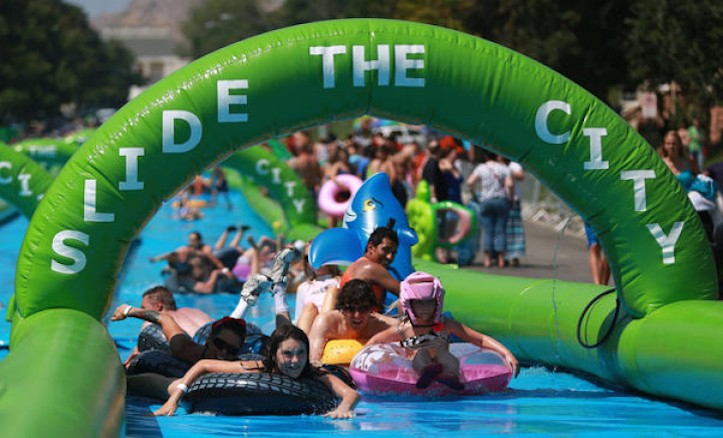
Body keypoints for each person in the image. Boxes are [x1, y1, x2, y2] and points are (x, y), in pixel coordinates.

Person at [153, 324, 360, 418]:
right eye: (287, 354)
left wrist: (343, 408)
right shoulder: (259, 368)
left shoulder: (313, 373)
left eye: (301, 353)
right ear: (274, 355)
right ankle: (139, 380)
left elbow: (351, 393)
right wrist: (173, 401)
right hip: (188, 382)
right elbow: (203, 365)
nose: (296, 361)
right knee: (170, 386)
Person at [367, 271, 519, 390]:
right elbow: (376, 341)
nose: (425, 308)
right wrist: (368, 360)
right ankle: (427, 371)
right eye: (419, 304)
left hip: (442, 361)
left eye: (429, 303)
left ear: (438, 302)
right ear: (409, 304)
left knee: (447, 358)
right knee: (421, 355)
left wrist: (507, 354)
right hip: (415, 368)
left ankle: (449, 377)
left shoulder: (446, 325)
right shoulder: (405, 329)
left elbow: (479, 339)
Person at [110, 310, 247, 398]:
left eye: (231, 350)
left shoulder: (237, 367)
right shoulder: (185, 348)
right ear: (209, 340)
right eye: (219, 344)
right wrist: (128, 310)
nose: (223, 352)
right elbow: (164, 318)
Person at [308, 279, 397, 364]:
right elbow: (313, 360)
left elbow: (403, 329)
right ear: (342, 309)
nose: (357, 315)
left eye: (363, 309)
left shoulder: (381, 325)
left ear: (371, 310)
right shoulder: (326, 323)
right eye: (351, 309)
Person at [121, 286, 214, 366]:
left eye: (143, 308)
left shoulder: (153, 322)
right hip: (217, 353)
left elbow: (136, 353)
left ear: (158, 307)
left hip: (196, 359)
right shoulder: (196, 312)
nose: (142, 312)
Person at [323, 226, 401, 313]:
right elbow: (407, 292)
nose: (390, 257)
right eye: (385, 250)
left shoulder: (357, 264)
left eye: (393, 253)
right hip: (362, 319)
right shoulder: (372, 269)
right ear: (370, 247)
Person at [467, 151, 513, 268]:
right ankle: (501, 259)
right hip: (501, 200)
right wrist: (511, 199)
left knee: (488, 231)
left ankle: (487, 259)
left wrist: (474, 195)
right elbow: (510, 184)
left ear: (485, 156)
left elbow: (470, 182)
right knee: (501, 230)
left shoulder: (481, 168)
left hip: (486, 200)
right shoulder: (503, 168)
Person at [294, 241, 341, 334]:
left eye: (318, 255)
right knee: (309, 308)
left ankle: (319, 334)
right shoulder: (304, 288)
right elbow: (298, 320)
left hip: (332, 328)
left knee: (332, 292)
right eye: (308, 257)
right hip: (308, 330)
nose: (314, 261)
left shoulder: (340, 282)